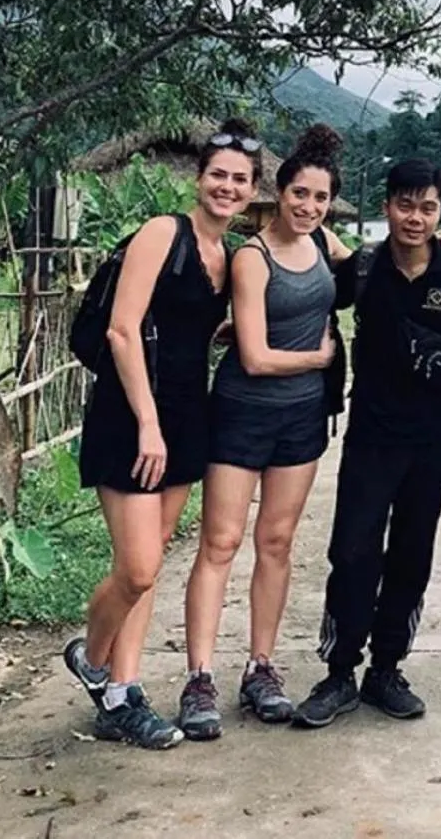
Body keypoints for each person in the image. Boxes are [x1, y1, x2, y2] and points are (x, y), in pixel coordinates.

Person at [62, 118, 260, 749]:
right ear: (199, 179)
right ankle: (93, 662)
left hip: (185, 418)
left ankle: (121, 693)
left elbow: (189, 328)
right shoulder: (162, 233)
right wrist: (147, 422)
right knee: (141, 569)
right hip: (132, 416)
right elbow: (123, 330)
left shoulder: (226, 258)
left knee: (152, 553)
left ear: (253, 190)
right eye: (218, 175)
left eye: (240, 180)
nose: (227, 187)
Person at [293, 158, 441, 727]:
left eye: (428, 207)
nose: (416, 217)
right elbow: (313, 295)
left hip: (432, 439)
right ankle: (338, 673)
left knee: (411, 553)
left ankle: (386, 669)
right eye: (406, 204)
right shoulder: (364, 268)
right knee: (353, 551)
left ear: (440, 212)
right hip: (371, 435)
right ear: (387, 207)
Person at [176, 125, 348, 741]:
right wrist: (318, 360)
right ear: (277, 194)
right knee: (220, 542)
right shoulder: (253, 257)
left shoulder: (325, 244)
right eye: (299, 195)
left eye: (321, 198)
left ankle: (262, 668)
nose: (309, 207)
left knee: (276, 543)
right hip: (243, 411)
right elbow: (252, 354)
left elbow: (380, 270)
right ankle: (199, 677)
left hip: (301, 421)